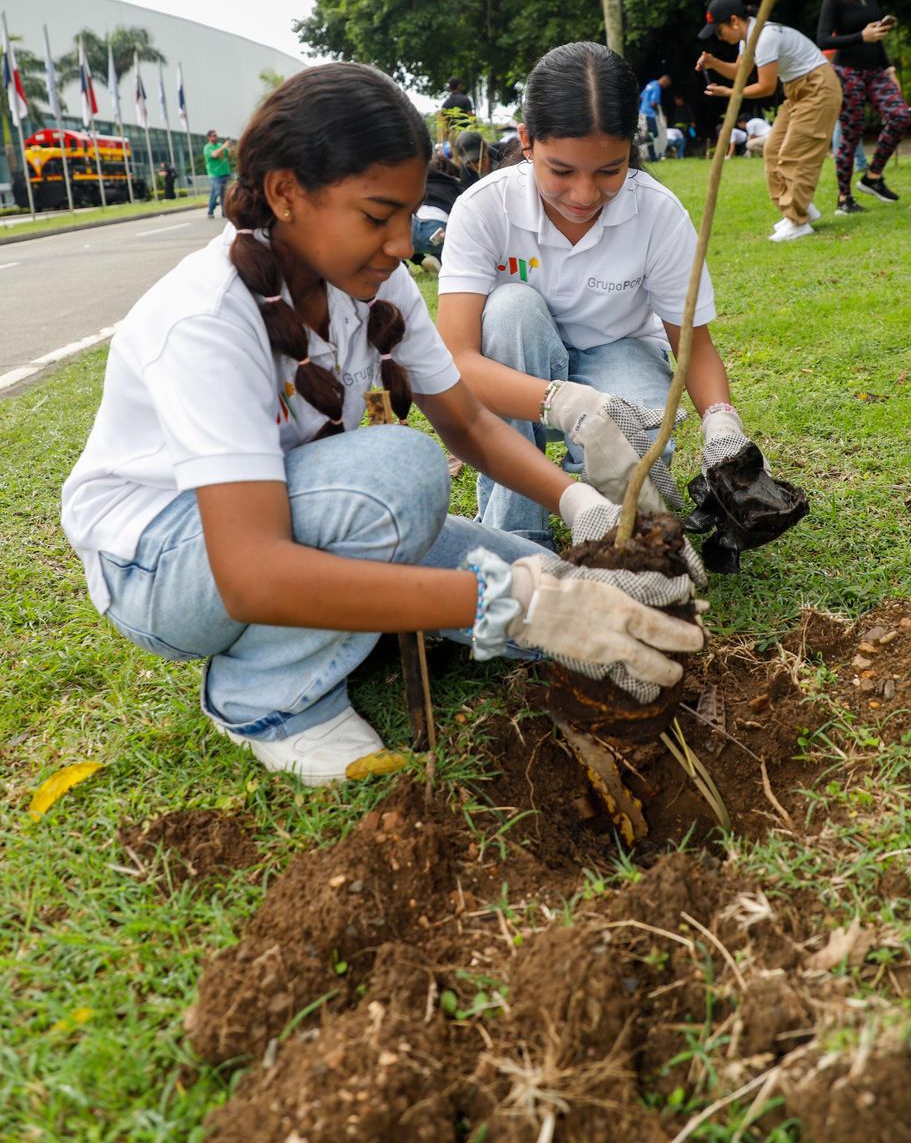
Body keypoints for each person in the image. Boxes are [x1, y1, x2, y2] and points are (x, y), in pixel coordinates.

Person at [61, 65, 702, 785]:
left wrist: (578, 511)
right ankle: (266, 700)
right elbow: (248, 573)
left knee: (561, 594)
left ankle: (370, 633)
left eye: (408, 216)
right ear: (286, 193)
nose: (403, 243)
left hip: (310, 518)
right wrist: (509, 605)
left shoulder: (374, 278)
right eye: (377, 216)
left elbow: (469, 423)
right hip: (165, 567)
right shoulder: (208, 320)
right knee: (405, 477)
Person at [436, 41, 774, 547]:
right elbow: (459, 360)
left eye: (609, 171)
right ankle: (519, 535)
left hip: (619, 352)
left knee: (636, 448)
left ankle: (608, 537)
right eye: (561, 171)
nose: (584, 195)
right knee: (510, 310)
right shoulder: (485, 208)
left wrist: (723, 426)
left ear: (630, 149)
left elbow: (693, 344)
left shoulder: (657, 214)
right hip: (515, 368)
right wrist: (565, 402)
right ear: (527, 141)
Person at [697, 0, 841, 244]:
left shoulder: (765, 37)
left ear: (733, 21)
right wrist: (713, 63)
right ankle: (798, 210)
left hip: (818, 87)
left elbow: (765, 87)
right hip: (797, 90)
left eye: (719, 32)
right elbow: (740, 71)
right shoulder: (749, 38)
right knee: (773, 150)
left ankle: (798, 220)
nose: (720, 38)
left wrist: (730, 93)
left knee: (794, 153)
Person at [816, 0, 909, 214]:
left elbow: (876, 37)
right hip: (848, 72)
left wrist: (889, 68)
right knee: (851, 132)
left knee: (900, 115)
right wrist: (861, 36)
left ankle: (872, 177)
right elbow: (822, 40)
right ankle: (844, 198)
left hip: (876, 71)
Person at [638, 73, 671, 161]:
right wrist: (658, 112)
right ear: (664, 81)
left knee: (650, 134)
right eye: (666, 85)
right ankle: (640, 140)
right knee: (654, 134)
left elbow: (641, 97)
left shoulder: (650, 84)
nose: (665, 87)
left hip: (642, 112)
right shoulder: (657, 87)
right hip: (649, 114)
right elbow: (654, 103)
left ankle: (652, 157)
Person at [203, 129, 235, 219]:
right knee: (216, 191)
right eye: (212, 136)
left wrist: (229, 146)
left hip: (224, 172)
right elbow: (214, 155)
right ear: (209, 137)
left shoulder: (220, 145)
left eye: (215, 135)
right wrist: (224, 146)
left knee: (224, 194)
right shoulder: (207, 147)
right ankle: (210, 211)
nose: (214, 137)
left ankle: (224, 211)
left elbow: (229, 153)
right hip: (215, 174)